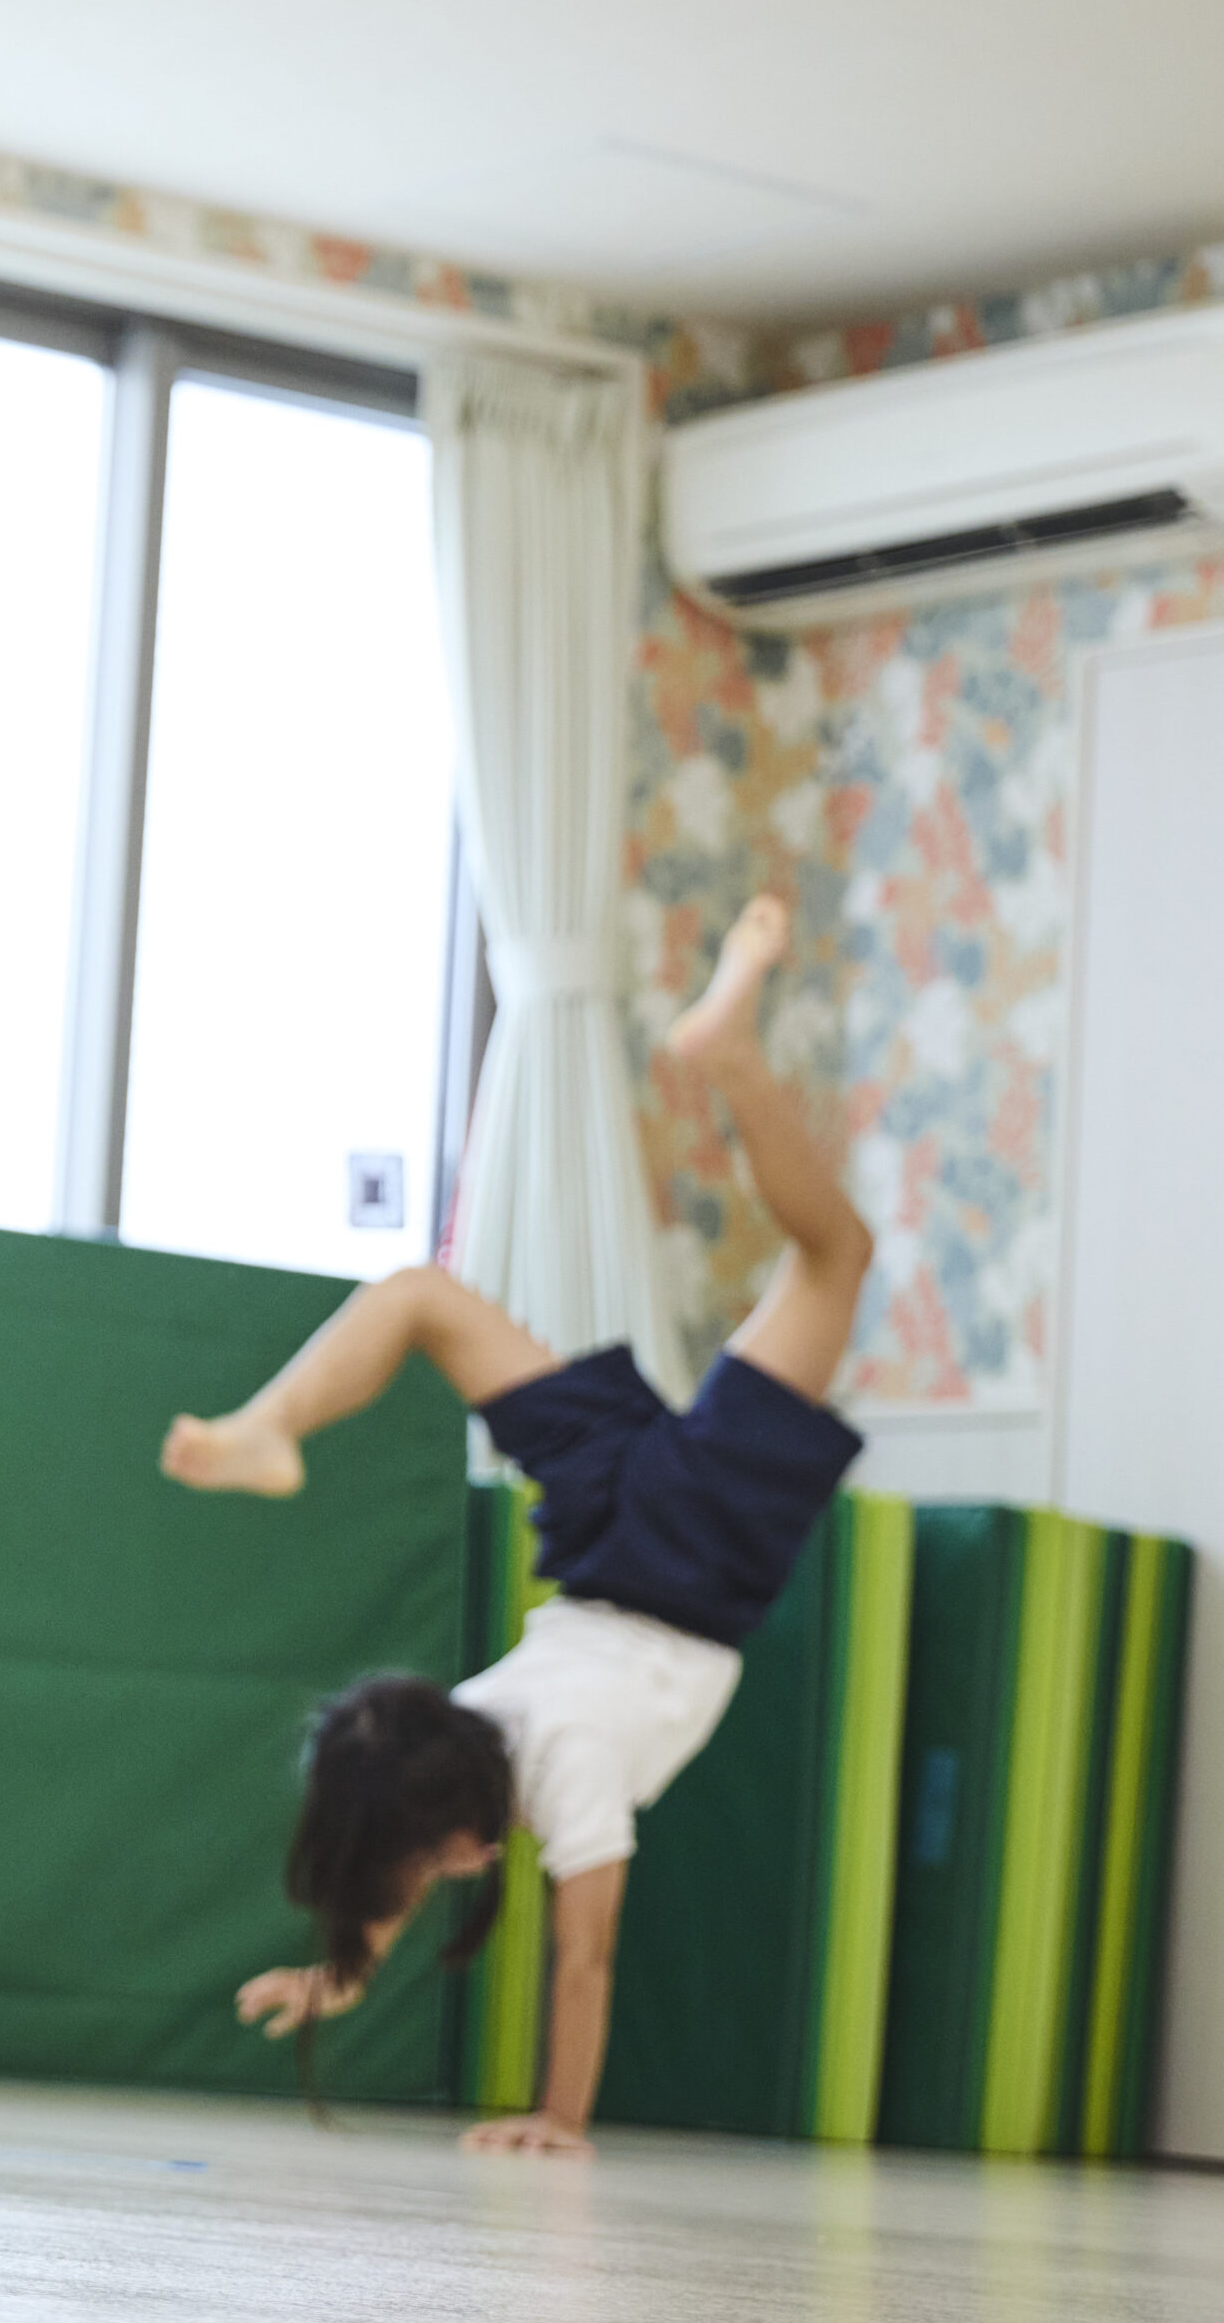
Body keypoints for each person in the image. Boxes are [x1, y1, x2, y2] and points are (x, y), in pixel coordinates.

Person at [159, 896, 870, 2157]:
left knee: (834, 1256)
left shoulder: (566, 1766)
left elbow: (586, 1954)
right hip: (608, 1531)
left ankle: (731, 1057)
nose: (439, 1872)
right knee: (429, 1295)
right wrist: (342, 1971)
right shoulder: (468, 1719)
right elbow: (402, 1846)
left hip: (684, 1556)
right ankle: (268, 1421)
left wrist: (559, 2115)